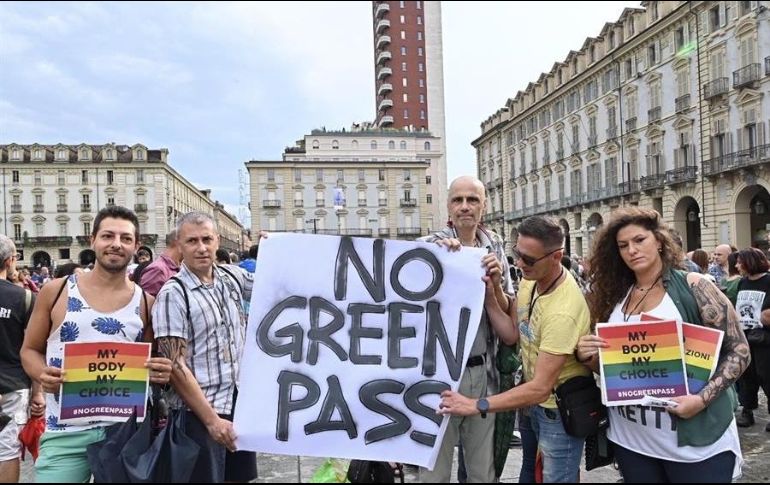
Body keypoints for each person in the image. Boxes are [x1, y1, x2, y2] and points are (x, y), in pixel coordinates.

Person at [576, 207, 748, 482]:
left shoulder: (694, 286)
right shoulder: (615, 295)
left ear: (658, 240)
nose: (632, 250)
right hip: (632, 441)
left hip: (694, 444)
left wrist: (701, 401)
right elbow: (620, 367)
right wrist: (590, 358)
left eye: (639, 240)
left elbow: (739, 350)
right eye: (623, 245)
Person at [20, 206, 173, 483]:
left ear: (136, 246)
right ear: (93, 240)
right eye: (108, 236)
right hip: (64, 430)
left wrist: (159, 373)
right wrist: (41, 373)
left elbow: (150, 363)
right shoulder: (55, 291)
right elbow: (30, 350)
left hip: (125, 432)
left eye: (126, 238)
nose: (116, 244)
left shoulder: (146, 303)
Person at [438, 215, 591, 483]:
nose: (519, 264)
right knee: (528, 476)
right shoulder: (532, 280)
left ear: (557, 257)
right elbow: (511, 334)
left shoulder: (563, 312)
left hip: (556, 411)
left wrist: (476, 404)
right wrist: (491, 295)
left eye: (528, 260)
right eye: (517, 254)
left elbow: (541, 387)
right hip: (531, 408)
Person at [418, 176, 517, 483]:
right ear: (448, 206)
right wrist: (436, 259)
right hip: (438, 375)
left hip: (481, 372)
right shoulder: (429, 245)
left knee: (482, 473)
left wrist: (497, 284)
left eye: (472, 200)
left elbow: (507, 312)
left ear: (483, 206)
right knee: (433, 474)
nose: (465, 207)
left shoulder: (495, 245)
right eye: (458, 200)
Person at [152, 212, 257, 483]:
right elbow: (175, 365)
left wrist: (278, 250)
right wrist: (211, 421)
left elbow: (278, 287)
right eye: (192, 241)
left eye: (207, 240)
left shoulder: (232, 278)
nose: (201, 248)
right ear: (179, 245)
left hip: (238, 404)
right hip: (197, 415)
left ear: (217, 241)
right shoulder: (172, 294)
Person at [0, 235, 43, 482]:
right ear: (9, 261)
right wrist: (38, 392)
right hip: (13, 386)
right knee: (7, 451)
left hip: (13, 386)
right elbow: (34, 348)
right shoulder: (23, 298)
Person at [734, 247, 770, 430]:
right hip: (745, 335)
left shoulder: (768, 280)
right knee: (747, 375)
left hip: (764, 338)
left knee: (766, 375)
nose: (737, 265)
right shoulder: (743, 282)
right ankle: (747, 411)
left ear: (750, 262)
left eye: (740, 262)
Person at [139, 231, 182, 297]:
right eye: (190, 241)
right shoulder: (158, 269)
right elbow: (146, 304)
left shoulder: (177, 268)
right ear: (178, 243)